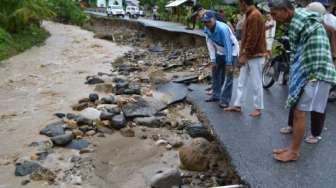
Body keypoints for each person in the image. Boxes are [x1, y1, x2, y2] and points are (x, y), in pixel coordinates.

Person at [269, 0, 336, 162]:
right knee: (298, 110)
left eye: (274, 14)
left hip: (315, 71)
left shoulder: (298, 23)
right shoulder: (304, 18)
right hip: (317, 70)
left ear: (285, 10)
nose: (273, 18)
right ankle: (292, 148)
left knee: (299, 112)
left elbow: (296, 56)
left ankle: (294, 152)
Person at [224, 0, 267, 117]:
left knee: (256, 82)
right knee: (241, 81)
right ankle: (238, 104)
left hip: (255, 55)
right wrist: (243, 54)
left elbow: (252, 38)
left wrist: (244, 55)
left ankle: (258, 108)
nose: (239, 6)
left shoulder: (254, 15)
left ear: (243, 2)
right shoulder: (250, 14)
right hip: (248, 54)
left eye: (239, 3)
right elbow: (248, 37)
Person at [202, 12, 234, 108]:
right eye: (205, 22)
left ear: (214, 20)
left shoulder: (222, 29)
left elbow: (228, 46)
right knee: (215, 70)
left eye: (209, 21)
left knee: (229, 75)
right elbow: (210, 45)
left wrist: (229, 62)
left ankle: (225, 100)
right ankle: (216, 95)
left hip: (232, 51)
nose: (207, 24)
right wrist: (213, 60)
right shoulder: (206, 29)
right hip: (220, 51)